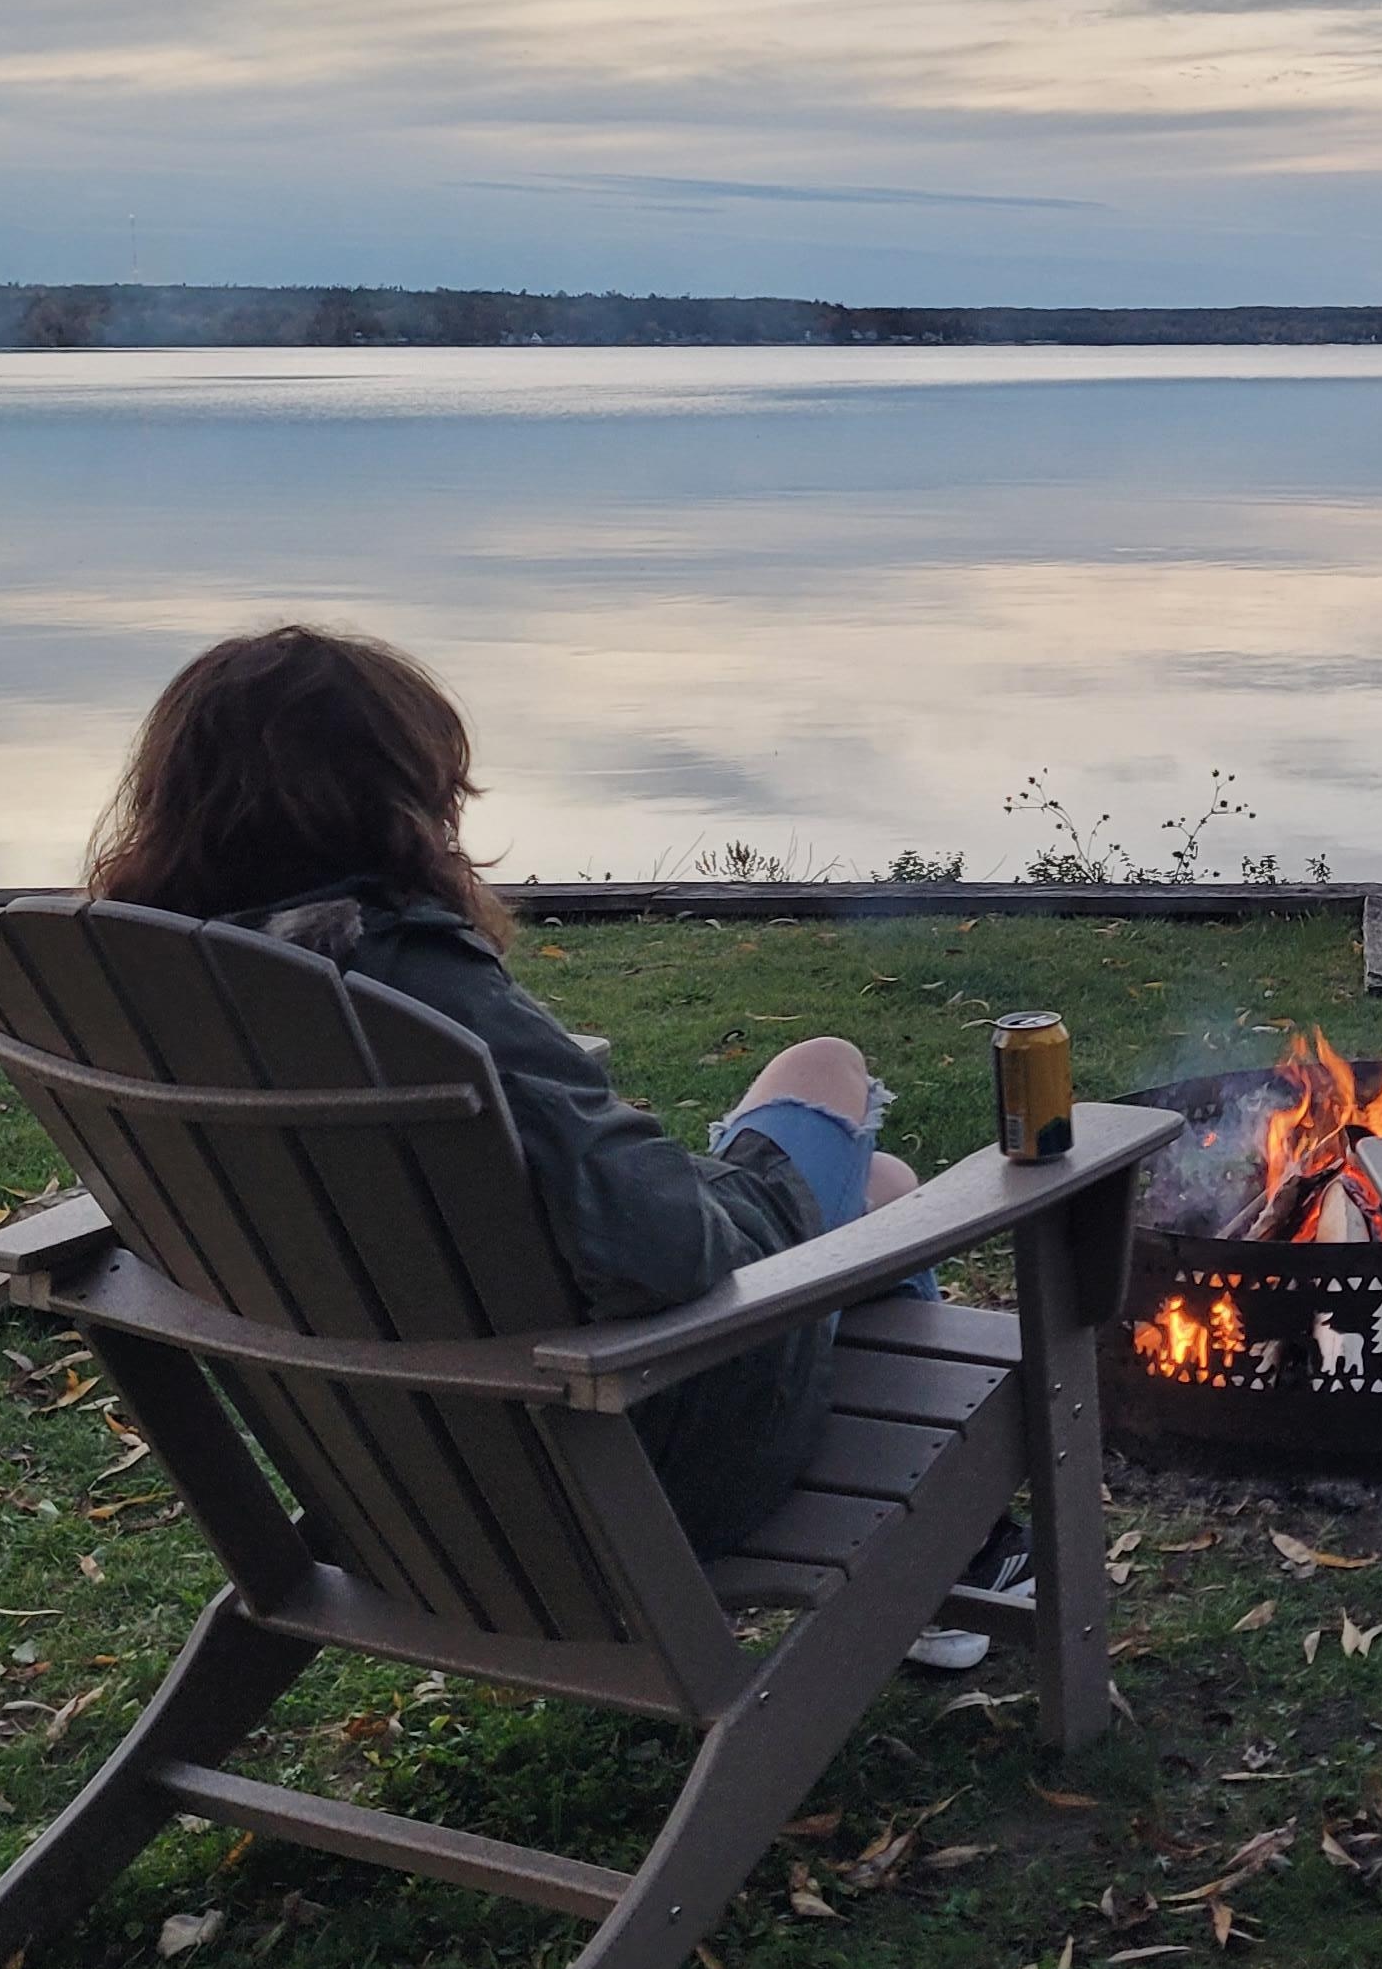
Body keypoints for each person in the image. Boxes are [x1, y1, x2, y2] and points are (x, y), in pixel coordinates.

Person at [82, 623, 931, 1560]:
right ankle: (962, 1540)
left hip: (388, 1492)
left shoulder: (160, 1002)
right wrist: (747, 1188)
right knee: (839, 1099)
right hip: (622, 1469)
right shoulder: (416, 986)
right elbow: (667, 1254)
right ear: (403, 794)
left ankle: (969, 1544)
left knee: (876, 1175)